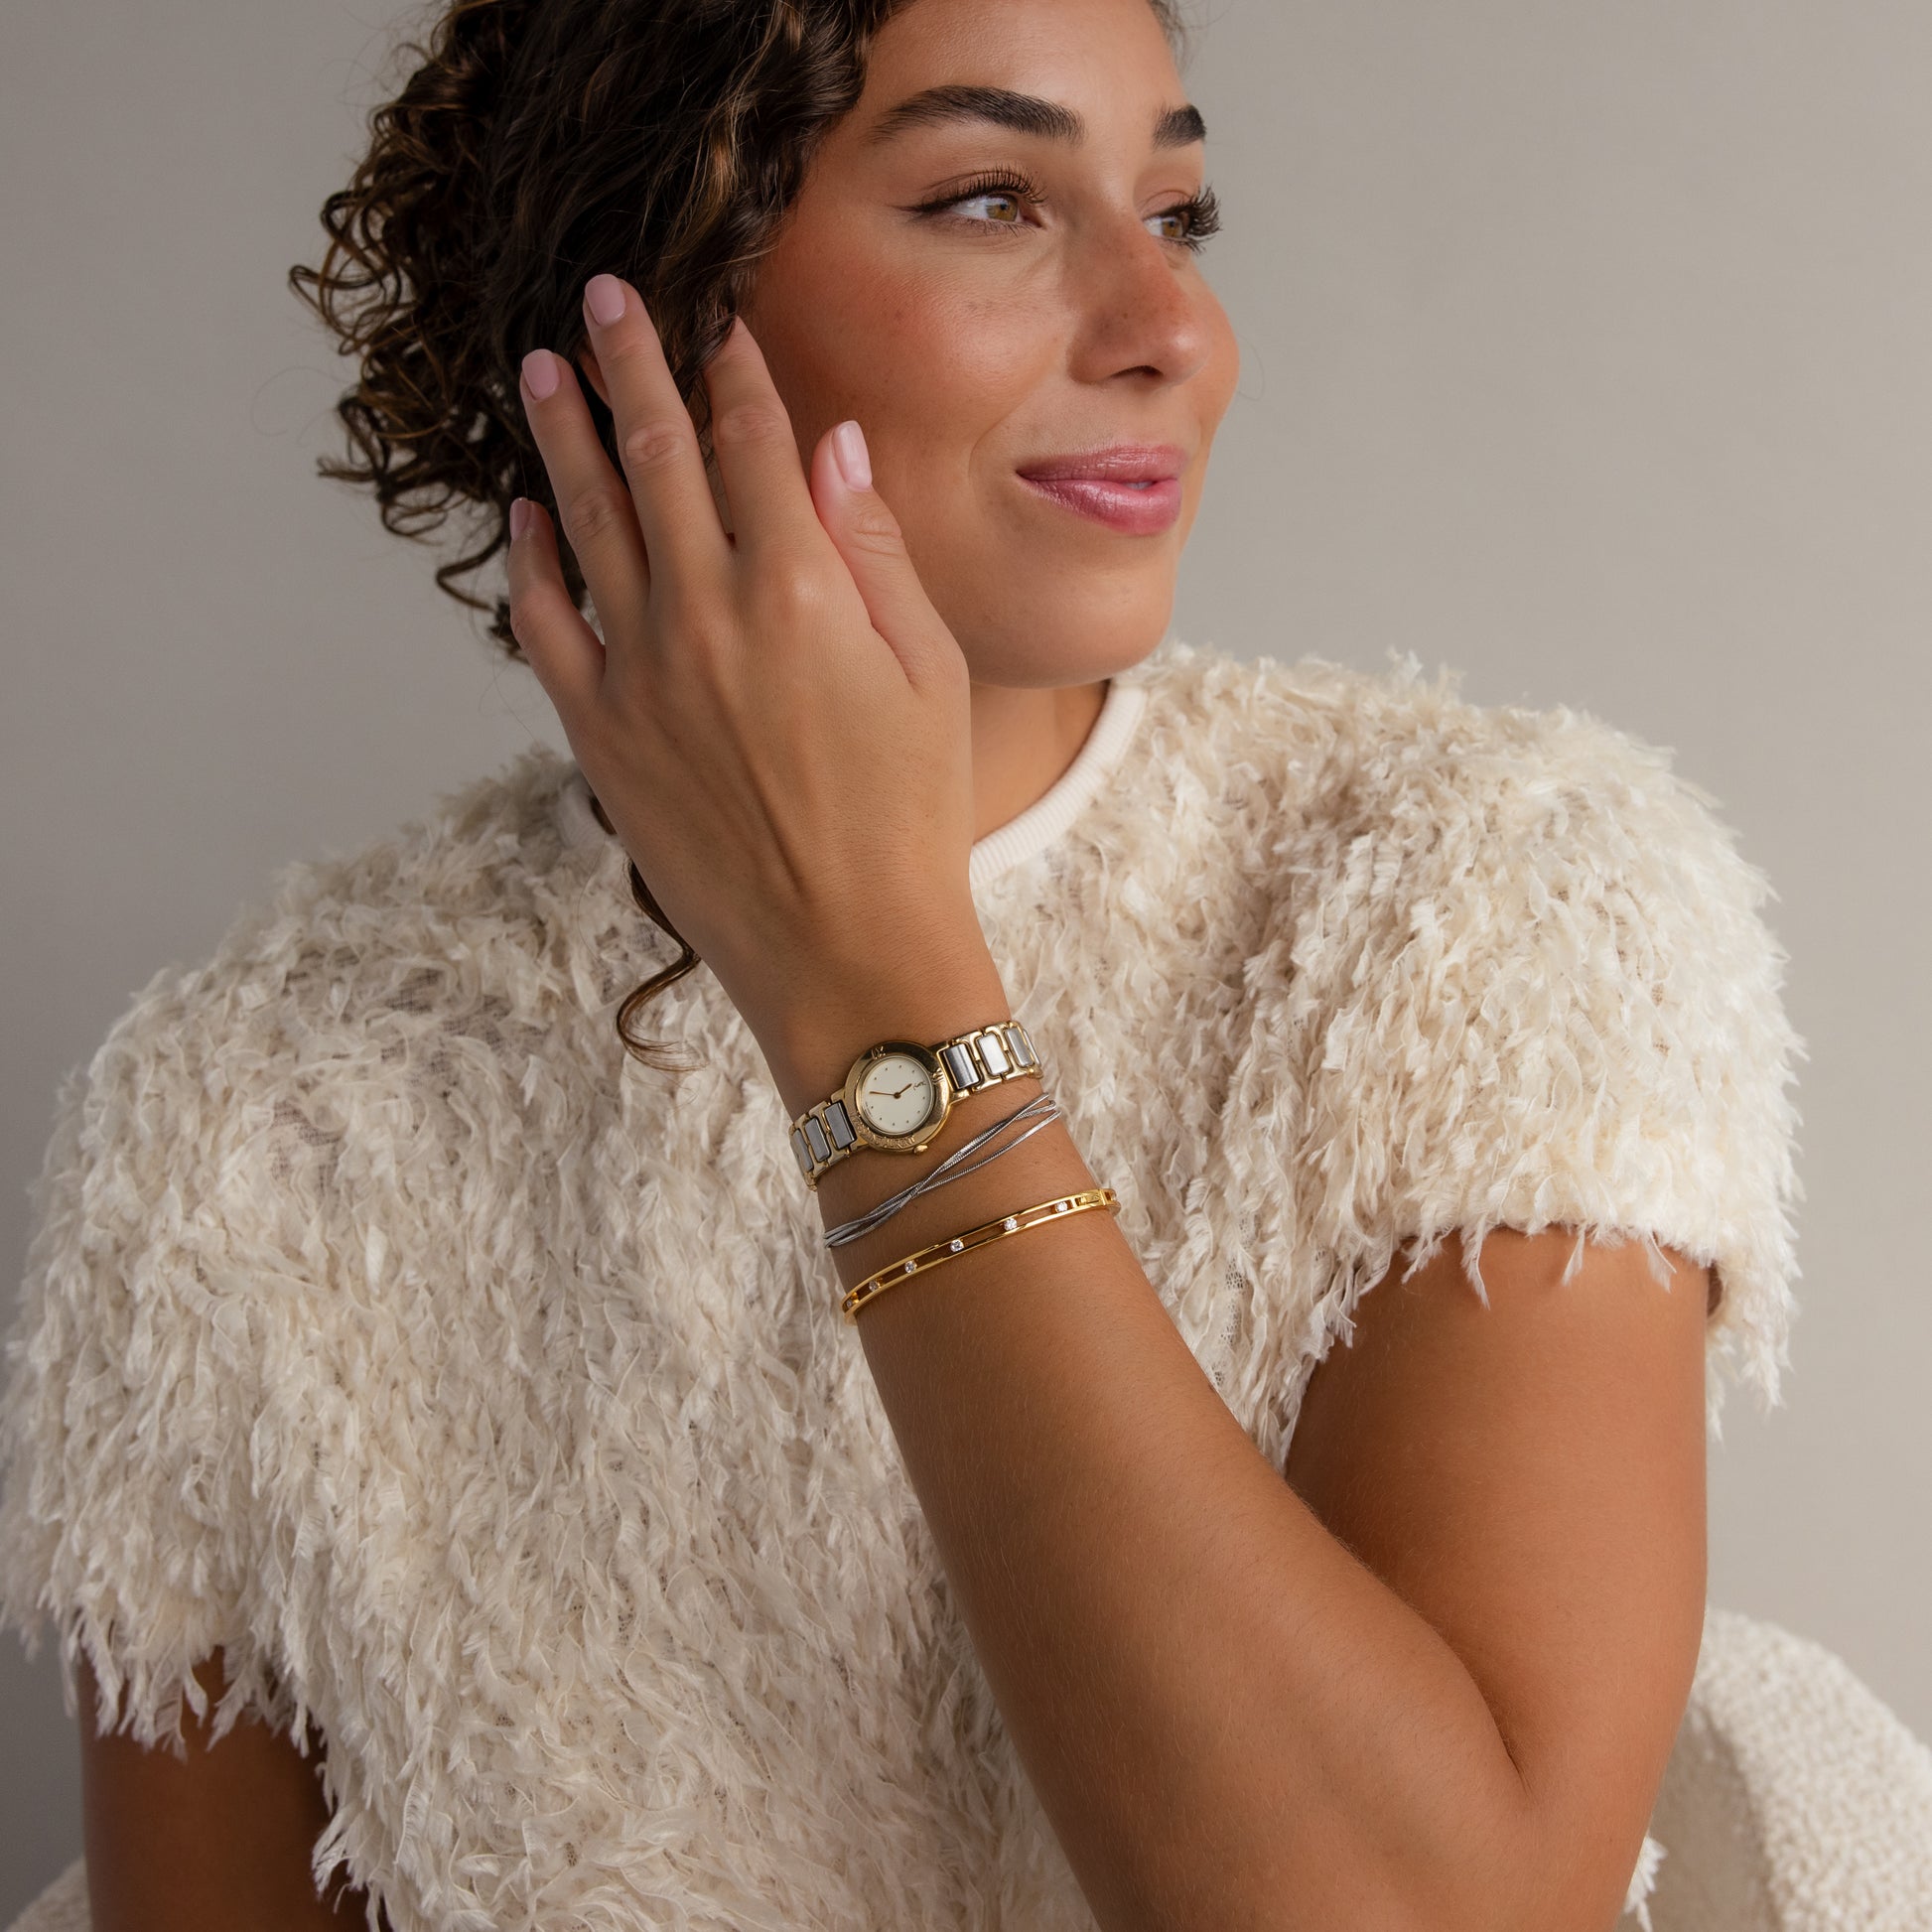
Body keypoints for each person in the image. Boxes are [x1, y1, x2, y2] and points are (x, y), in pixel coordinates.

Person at [0, 0, 1802, 1926]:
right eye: (990, 200)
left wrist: (865, 981)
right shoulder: (248, 1112)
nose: (1172, 330)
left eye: (1177, 213)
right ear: (653, 293)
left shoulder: (1488, 900)